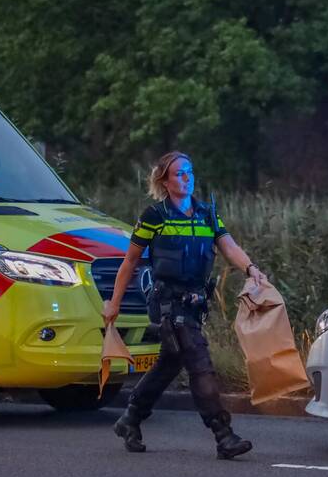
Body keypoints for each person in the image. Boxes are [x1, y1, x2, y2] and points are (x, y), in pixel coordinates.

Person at [103, 151, 268, 459]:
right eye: (179, 173)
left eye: (190, 172)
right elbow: (130, 262)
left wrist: (251, 268)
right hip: (167, 303)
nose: (187, 178)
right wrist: (114, 303)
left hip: (194, 304)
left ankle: (130, 418)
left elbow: (228, 245)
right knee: (198, 361)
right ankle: (223, 435)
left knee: (170, 363)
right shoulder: (154, 216)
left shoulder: (206, 213)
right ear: (165, 181)